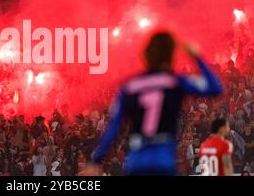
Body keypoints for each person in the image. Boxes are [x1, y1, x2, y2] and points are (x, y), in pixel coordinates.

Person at [84, 31, 223, 175]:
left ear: (146, 55)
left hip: (137, 160)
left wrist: (96, 160)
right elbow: (215, 88)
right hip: (162, 158)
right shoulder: (175, 81)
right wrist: (196, 57)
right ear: (170, 56)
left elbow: (113, 126)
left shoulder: (129, 86)